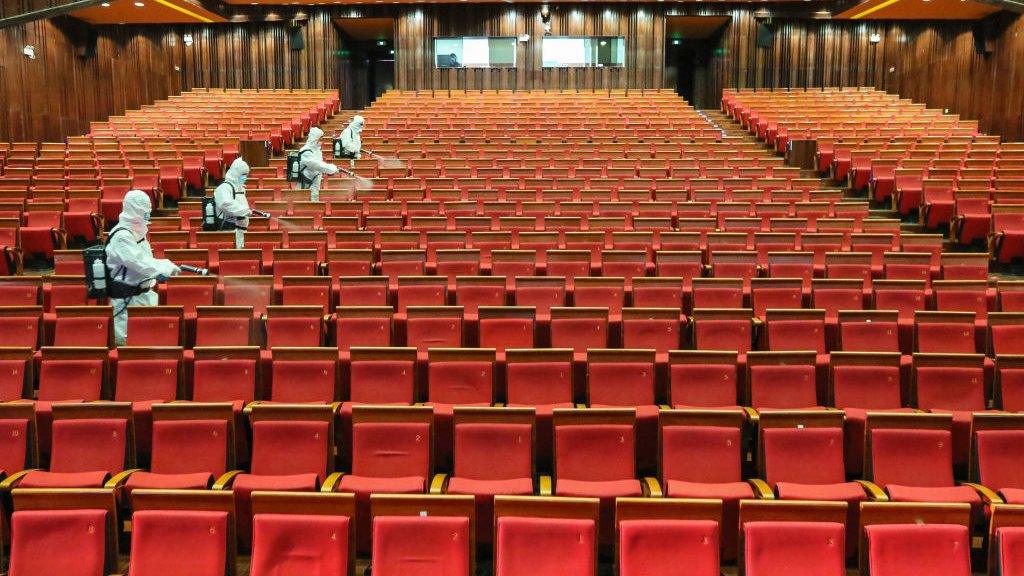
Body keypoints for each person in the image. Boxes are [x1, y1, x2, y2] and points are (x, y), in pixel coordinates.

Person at [106, 190, 180, 346]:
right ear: (134, 210)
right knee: (130, 345)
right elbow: (139, 262)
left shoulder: (137, 231)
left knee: (150, 342)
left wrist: (161, 268)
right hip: (127, 302)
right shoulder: (122, 236)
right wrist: (163, 267)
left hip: (144, 297)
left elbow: (146, 260)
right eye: (144, 211)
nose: (148, 214)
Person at [214, 157, 254, 248]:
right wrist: (245, 211)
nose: (245, 177)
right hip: (229, 231)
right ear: (236, 173)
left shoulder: (240, 188)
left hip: (240, 231)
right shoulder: (224, 187)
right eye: (243, 174)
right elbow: (225, 205)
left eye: (246, 174)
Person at [299, 126, 340, 202]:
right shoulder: (306, 151)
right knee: (304, 204)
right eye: (320, 138)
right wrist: (332, 168)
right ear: (315, 138)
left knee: (314, 202)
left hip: (314, 181)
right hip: (305, 183)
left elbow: (320, 165)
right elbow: (316, 165)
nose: (321, 140)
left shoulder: (316, 150)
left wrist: (330, 170)